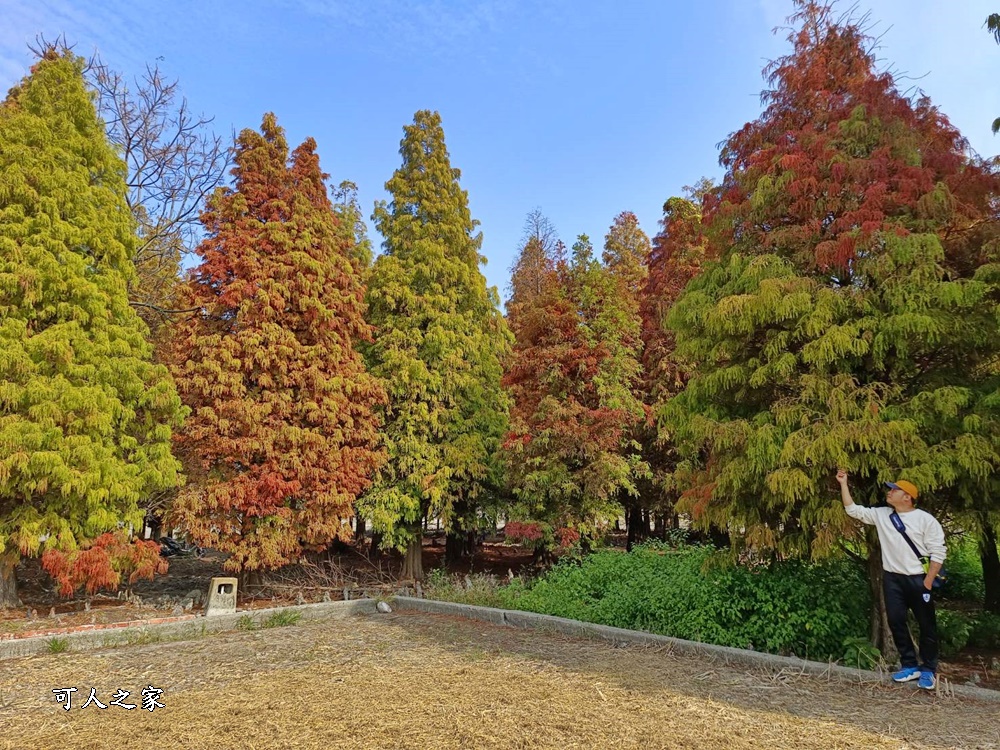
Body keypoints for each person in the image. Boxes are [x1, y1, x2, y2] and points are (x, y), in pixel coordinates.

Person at [835, 470, 947, 690]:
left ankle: (928, 669)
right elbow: (853, 510)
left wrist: (927, 582)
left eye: (895, 490)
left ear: (907, 497)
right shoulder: (883, 514)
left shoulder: (925, 520)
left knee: (927, 626)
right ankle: (909, 665)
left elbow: (938, 553)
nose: (890, 492)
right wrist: (843, 484)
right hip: (892, 579)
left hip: (918, 579)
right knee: (896, 621)